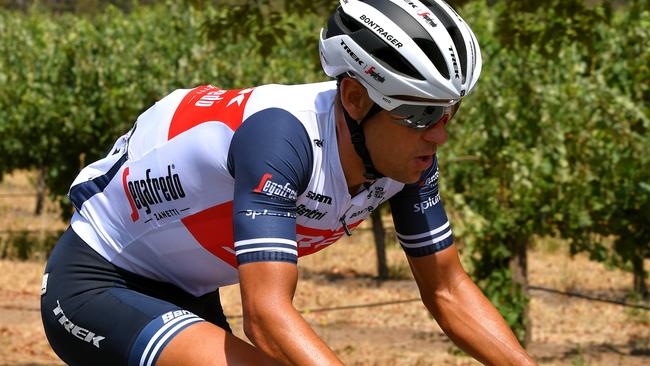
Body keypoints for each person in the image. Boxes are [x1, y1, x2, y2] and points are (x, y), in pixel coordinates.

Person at [40, 0, 536, 365]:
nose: (440, 133)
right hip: (97, 280)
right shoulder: (282, 137)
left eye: (450, 111)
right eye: (422, 112)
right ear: (357, 98)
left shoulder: (405, 156)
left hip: (189, 289)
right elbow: (267, 317)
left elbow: (447, 291)